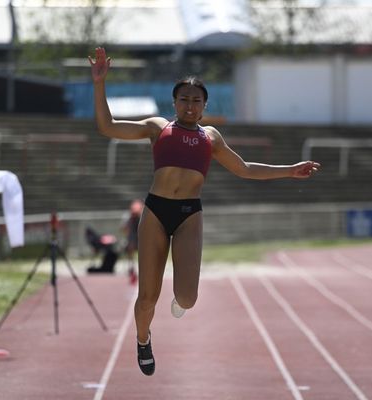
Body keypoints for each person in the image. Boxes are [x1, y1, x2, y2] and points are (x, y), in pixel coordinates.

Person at [89, 47, 320, 376]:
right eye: (184, 99)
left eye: (196, 100)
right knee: (147, 297)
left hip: (188, 214)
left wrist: (289, 169)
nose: (190, 105)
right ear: (174, 102)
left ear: (205, 105)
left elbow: (244, 168)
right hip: (156, 211)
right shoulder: (158, 127)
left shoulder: (211, 138)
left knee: (187, 298)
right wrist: (99, 83)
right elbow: (107, 127)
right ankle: (143, 340)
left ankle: (178, 302)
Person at [122, 199, 144, 284]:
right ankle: (131, 267)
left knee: (142, 252)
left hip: (140, 237)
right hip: (132, 237)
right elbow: (124, 229)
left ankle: (140, 268)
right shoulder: (128, 217)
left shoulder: (142, 217)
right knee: (130, 250)